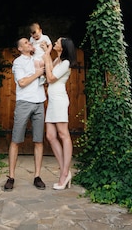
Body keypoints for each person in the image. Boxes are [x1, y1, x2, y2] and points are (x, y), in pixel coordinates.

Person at [4, 37, 47, 191]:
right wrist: (37, 74)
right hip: (24, 103)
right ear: (20, 48)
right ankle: (11, 177)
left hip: (39, 102)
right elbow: (22, 82)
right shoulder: (18, 62)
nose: (29, 44)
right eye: (26, 43)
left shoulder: (37, 58)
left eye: (29, 42)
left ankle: (37, 176)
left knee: (38, 141)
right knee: (16, 140)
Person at [41, 37, 77, 190]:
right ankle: (65, 170)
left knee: (63, 134)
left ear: (63, 47)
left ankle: (64, 174)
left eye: (57, 42)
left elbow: (50, 78)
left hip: (60, 101)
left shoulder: (66, 63)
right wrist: (48, 56)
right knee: (50, 135)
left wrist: (47, 55)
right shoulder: (57, 61)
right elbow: (46, 74)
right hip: (52, 101)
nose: (54, 43)